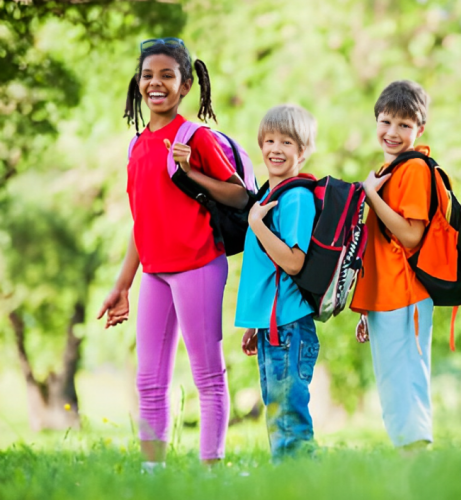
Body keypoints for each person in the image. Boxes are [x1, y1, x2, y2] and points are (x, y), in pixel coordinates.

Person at [97, 38, 249, 470]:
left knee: (207, 375)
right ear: (138, 84)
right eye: (148, 75)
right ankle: (152, 473)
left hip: (199, 264)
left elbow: (240, 196)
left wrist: (191, 170)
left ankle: (211, 470)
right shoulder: (136, 147)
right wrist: (122, 285)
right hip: (156, 273)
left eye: (167, 75)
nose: (155, 83)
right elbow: (141, 224)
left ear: (185, 87)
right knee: (148, 380)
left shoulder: (194, 136)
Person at [351, 80, 448, 449]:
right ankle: (408, 463)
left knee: (406, 382)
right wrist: (366, 307)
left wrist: (372, 196)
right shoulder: (387, 170)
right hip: (385, 295)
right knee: (393, 384)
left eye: (404, 125)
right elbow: (377, 245)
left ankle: (417, 462)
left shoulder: (414, 170)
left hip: (405, 294)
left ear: (419, 130)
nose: (392, 132)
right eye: (386, 121)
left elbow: (410, 237)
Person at [237, 104, 320, 461]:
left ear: (303, 151)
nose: (275, 148)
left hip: (289, 328)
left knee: (289, 420)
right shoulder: (269, 198)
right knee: (278, 415)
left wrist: (256, 224)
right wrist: (256, 323)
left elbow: (293, 261)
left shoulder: (296, 197)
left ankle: (303, 485)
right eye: (269, 140)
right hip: (274, 326)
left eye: (286, 142)